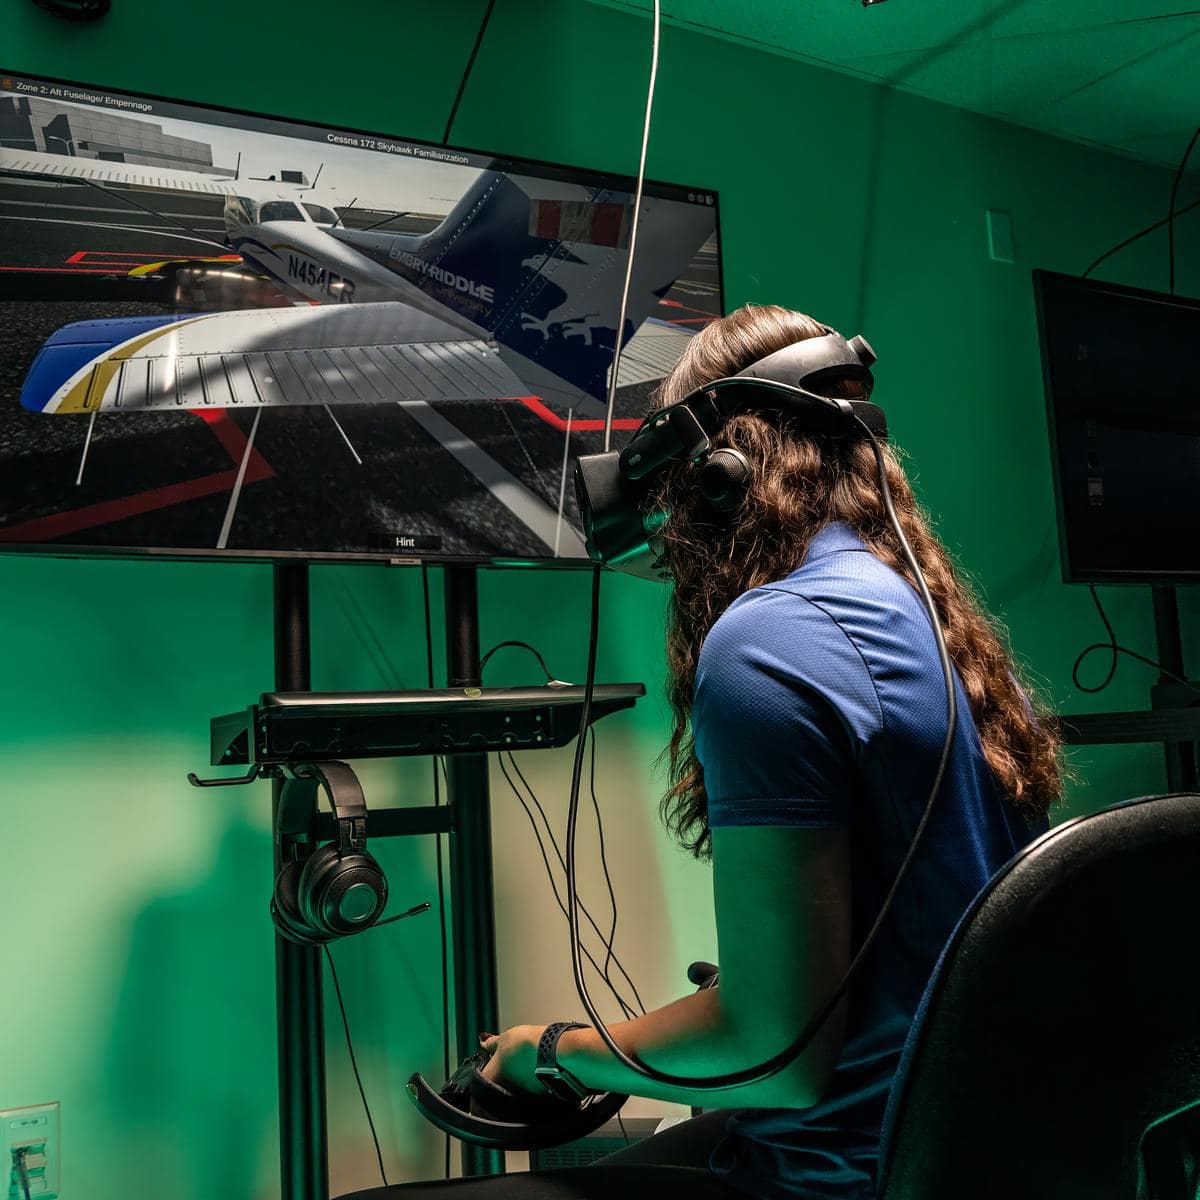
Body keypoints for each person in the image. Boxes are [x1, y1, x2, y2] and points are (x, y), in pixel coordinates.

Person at [360, 303, 1062, 1199]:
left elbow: (777, 1057)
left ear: (721, 476)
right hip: (976, 1151)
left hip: (842, 1172)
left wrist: (554, 1054)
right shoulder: (940, 623)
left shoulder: (768, 639)